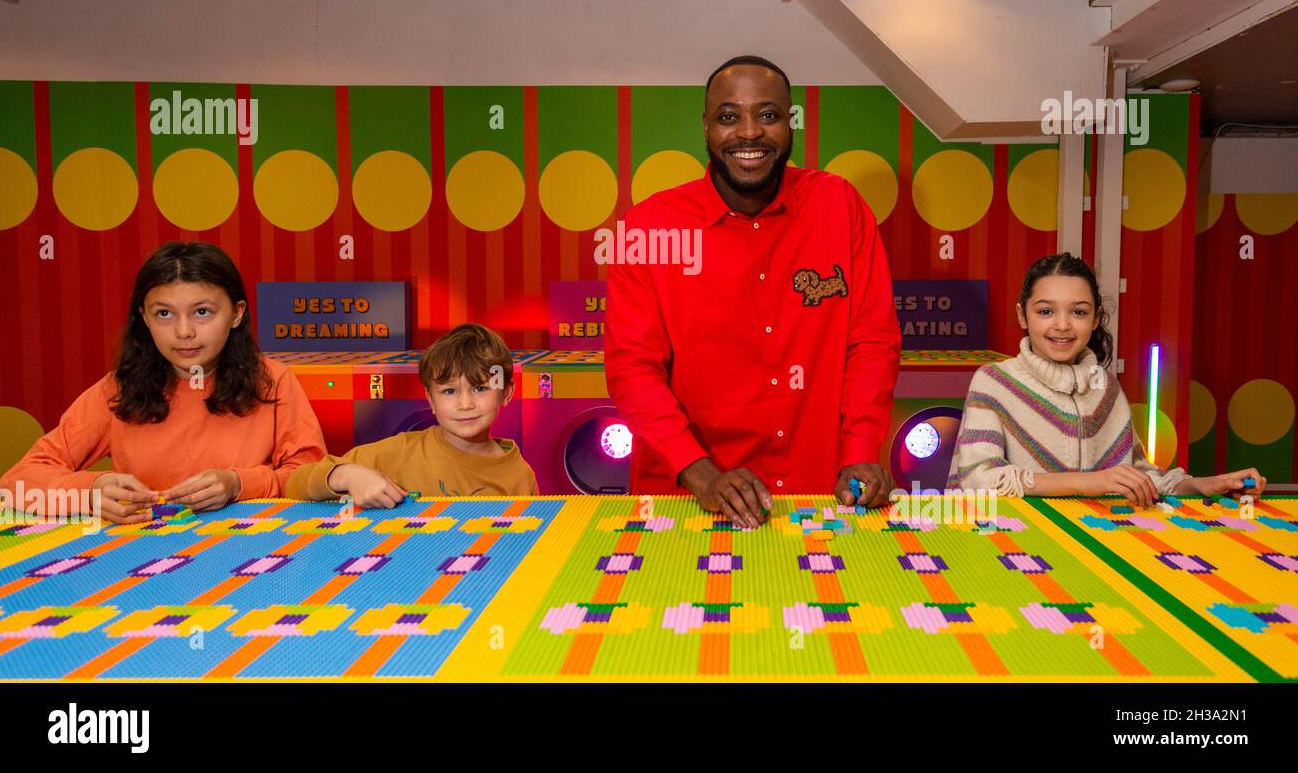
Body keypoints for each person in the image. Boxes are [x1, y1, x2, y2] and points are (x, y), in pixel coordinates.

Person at [606, 55, 901, 529]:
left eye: (768, 115)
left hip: (823, 497)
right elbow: (632, 369)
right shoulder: (649, 227)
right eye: (729, 117)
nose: (749, 132)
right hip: (685, 500)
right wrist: (702, 476)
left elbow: (871, 341)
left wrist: (862, 451)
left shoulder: (839, 205)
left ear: (791, 123)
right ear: (706, 126)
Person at [0, 242, 326, 524]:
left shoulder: (273, 381)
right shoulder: (118, 389)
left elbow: (311, 477)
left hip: (251, 556)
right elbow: (17, 482)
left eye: (202, 312)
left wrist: (238, 484)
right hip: (139, 563)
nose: (183, 332)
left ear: (236, 314)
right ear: (144, 316)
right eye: (164, 314)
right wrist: (90, 491)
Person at [948, 252, 1266, 502]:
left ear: (1096, 318)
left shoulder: (1105, 386)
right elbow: (980, 479)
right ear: (1022, 314)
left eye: (1079, 312)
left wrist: (1203, 485)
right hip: (1013, 544)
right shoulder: (993, 382)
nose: (1062, 325)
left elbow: (1137, 475)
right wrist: (1089, 483)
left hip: (1094, 547)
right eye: (1046, 311)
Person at [286, 323, 537, 506]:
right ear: (431, 400)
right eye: (449, 391)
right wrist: (346, 475)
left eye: (480, 388)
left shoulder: (519, 475)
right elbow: (295, 483)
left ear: (505, 393)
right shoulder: (399, 453)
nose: (465, 403)